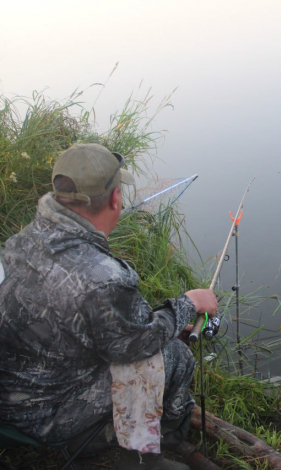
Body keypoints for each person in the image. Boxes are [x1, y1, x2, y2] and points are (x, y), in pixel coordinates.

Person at [0, 143, 217, 470]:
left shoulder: (24, 239)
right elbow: (135, 346)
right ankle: (151, 453)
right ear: (116, 199)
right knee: (174, 355)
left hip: (9, 395)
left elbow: (102, 325)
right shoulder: (103, 278)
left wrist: (163, 319)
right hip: (45, 416)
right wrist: (190, 304)